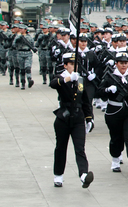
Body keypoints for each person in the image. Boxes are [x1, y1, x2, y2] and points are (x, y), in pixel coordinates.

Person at [50, 52, 94, 188]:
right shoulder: (61, 78)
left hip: (78, 118)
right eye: (71, 64)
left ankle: (83, 175)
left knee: (80, 148)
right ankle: (58, 175)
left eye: (76, 64)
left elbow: (86, 101)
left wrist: (89, 118)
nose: (74, 67)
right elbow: (53, 84)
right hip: (63, 117)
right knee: (61, 148)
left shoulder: (80, 80)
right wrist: (68, 78)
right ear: (65, 65)